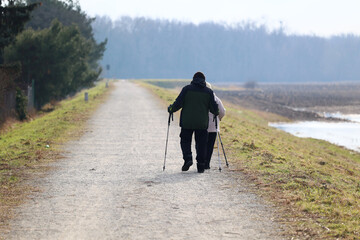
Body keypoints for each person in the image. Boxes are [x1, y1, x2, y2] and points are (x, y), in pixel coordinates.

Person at [168, 72, 219, 173]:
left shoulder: (186, 89)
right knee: (201, 144)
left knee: (185, 141)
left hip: (187, 122)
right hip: (202, 123)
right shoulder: (208, 92)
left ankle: (188, 158)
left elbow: (178, 103)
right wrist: (216, 111)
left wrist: (171, 109)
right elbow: (214, 110)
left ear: (193, 79)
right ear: (204, 80)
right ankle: (200, 165)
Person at [204, 82, 226, 169]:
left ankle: (201, 161)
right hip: (213, 127)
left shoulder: (201, 98)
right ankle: (207, 163)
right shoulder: (216, 99)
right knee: (210, 146)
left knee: (201, 145)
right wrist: (219, 118)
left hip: (202, 126)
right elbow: (222, 111)